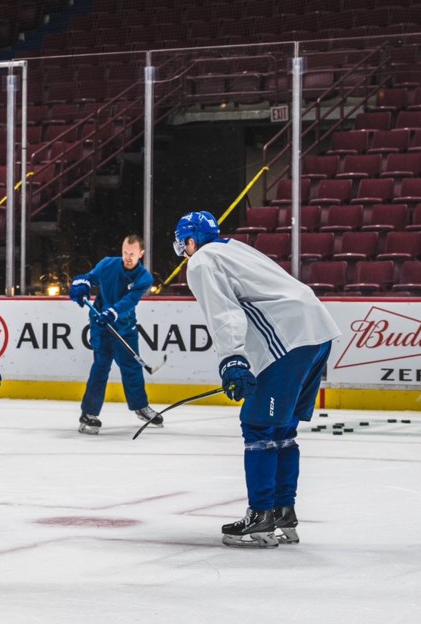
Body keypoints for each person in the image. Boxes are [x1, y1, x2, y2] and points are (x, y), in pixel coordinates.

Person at [174, 210, 340, 548]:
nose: (184, 253)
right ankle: (283, 512)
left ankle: (261, 517)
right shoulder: (235, 247)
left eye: (183, 246)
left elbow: (224, 312)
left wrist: (233, 360)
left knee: (258, 426)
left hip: (289, 337)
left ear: (190, 241)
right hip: (318, 331)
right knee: (282, 428)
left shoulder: (203, 261)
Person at [68, 235, 161, 435]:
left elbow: (129, 301)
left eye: (132, 254)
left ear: (141, 254)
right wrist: (81, 285)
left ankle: (140, 406)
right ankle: (89, 413)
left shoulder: (144, 278)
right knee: (101, 367)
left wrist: (113, 312)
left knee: (132, 368)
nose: (128, 257)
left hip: (125, 327)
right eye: (125, 253)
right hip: (101, 325)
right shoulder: (108, 264)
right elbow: (89, 277)